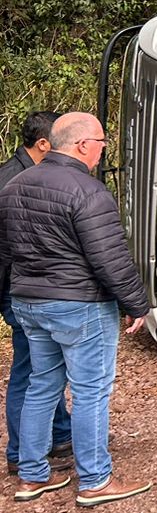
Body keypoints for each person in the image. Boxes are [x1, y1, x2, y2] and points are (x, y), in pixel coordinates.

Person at [0, 113, 151, 505]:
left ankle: (32, 476)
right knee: (90, 392)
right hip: (79, 305)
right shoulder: (88, 191)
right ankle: (96, 480)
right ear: (83, 145)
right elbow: (110, 259)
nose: (103, 151)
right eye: (101, 143)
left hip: (28, 303)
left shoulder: (15, 185)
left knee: (41, 386)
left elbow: (5, 252)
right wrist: (136, 303)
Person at [1, 111, 73, 477]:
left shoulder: (18, 174)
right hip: (21, 291)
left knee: (45, 367)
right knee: (31, 371)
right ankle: (18, 452)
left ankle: (60, 435)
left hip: (24, 287)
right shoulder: (15, 180)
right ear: (44, 144)